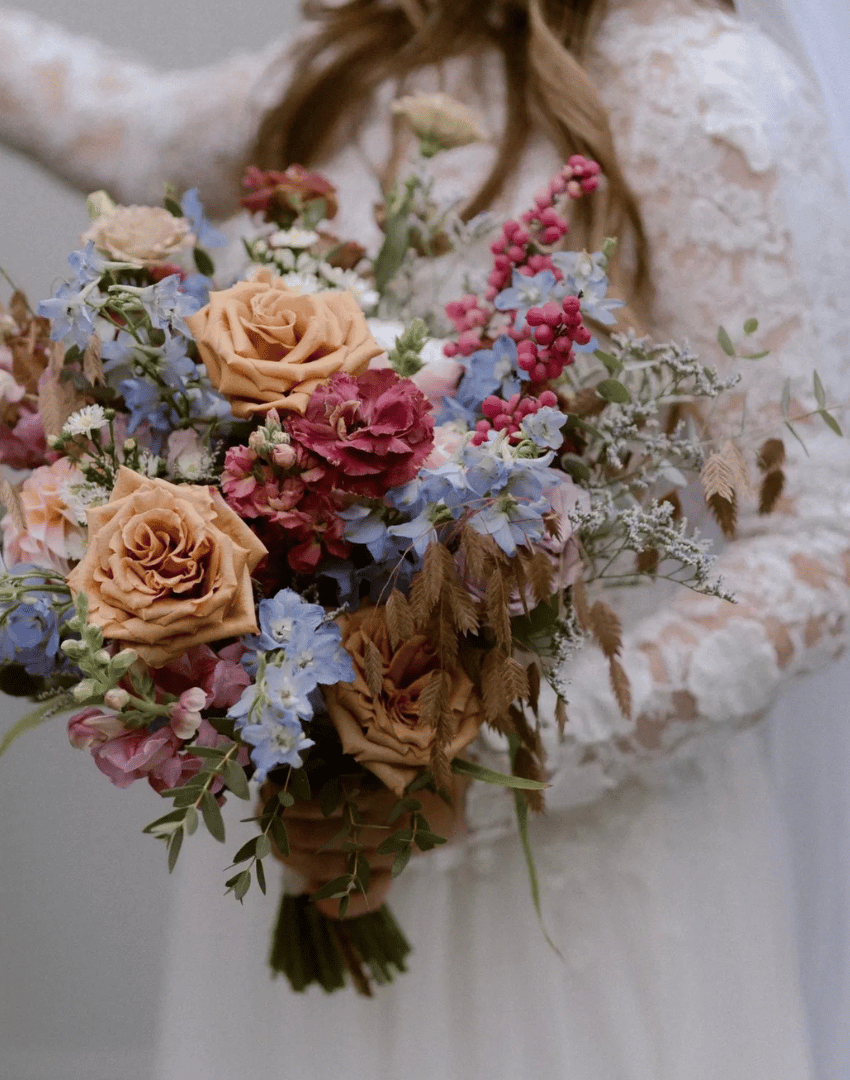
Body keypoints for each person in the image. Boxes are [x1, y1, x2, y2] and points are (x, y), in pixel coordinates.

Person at [1, 1, 849, 1077]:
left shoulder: (696, 90)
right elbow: (134, 131)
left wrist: (469, 771)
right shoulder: (366, 52)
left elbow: (821, 538)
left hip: (569, 870)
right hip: (309, 840)